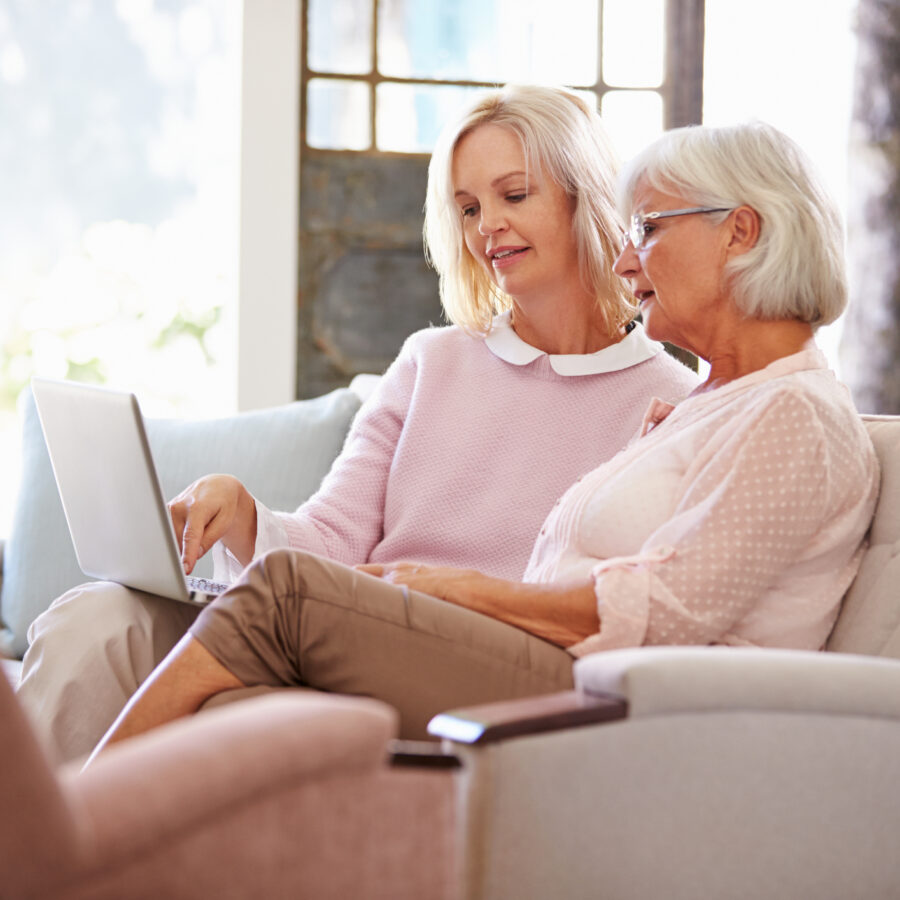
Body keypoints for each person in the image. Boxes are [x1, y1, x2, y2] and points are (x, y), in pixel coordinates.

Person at [87, 119, 879, 762]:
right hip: (578, 674)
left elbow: (668, 612)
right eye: (467, 207)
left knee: (288, 593)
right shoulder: (719, 404)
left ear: (740, 232)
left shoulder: (795, 414)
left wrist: (454, 588)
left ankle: (55, 843)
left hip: (634, 711)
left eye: (648, 229)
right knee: (241, 699)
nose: (629, 257)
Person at [18, 85, 699, 764]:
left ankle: (69, 846)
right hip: (331, 625)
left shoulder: (672, 404)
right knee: (95, 620)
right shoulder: (432, 362)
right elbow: (334, 539)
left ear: (586, 198)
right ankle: (33, 857)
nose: (486, 224)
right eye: (468, 207)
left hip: (458, 667)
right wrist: (245, 516)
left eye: (513, 195)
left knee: (242, 698)